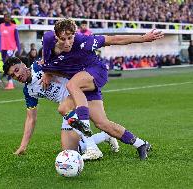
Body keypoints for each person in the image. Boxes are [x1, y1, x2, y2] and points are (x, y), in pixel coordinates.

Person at [41, 19, 164, 160]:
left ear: (75, 35)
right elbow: (47, 60)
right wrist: (47, 72)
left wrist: (142, 38)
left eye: (70, 38)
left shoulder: (84, 41)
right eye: (63, 39)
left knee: (72, 85)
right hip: (82, 83)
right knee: (93, 120)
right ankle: (141, 144)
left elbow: (114, 39)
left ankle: (91, 146)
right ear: (56, 36)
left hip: (96, 72)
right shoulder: (48, 39)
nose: (67, 42)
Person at [3, 57, 119, 160]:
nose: (17, 75)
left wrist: (49, 72)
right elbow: (31, 119)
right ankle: (105, 136)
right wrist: (23, 146)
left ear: (23, 64)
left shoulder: (39, 66)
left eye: (17, 70)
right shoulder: (28, 91)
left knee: (99, 122)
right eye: (13, 75)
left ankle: (93, 147)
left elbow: (58, 57)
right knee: (70, 151)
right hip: (66, 109)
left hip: (80, 96)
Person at [0, 12, 21, 90]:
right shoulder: (1, 26)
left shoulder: (14, 27)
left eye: (8, 17)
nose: (7, 18)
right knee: (5, 65)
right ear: (4, 18)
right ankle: (9, 81)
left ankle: (10, 82)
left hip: (10, 48)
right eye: (5, 17)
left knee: (9, 65)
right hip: (3, 48)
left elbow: (17, 38)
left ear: (10, 18)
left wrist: (18, 48)